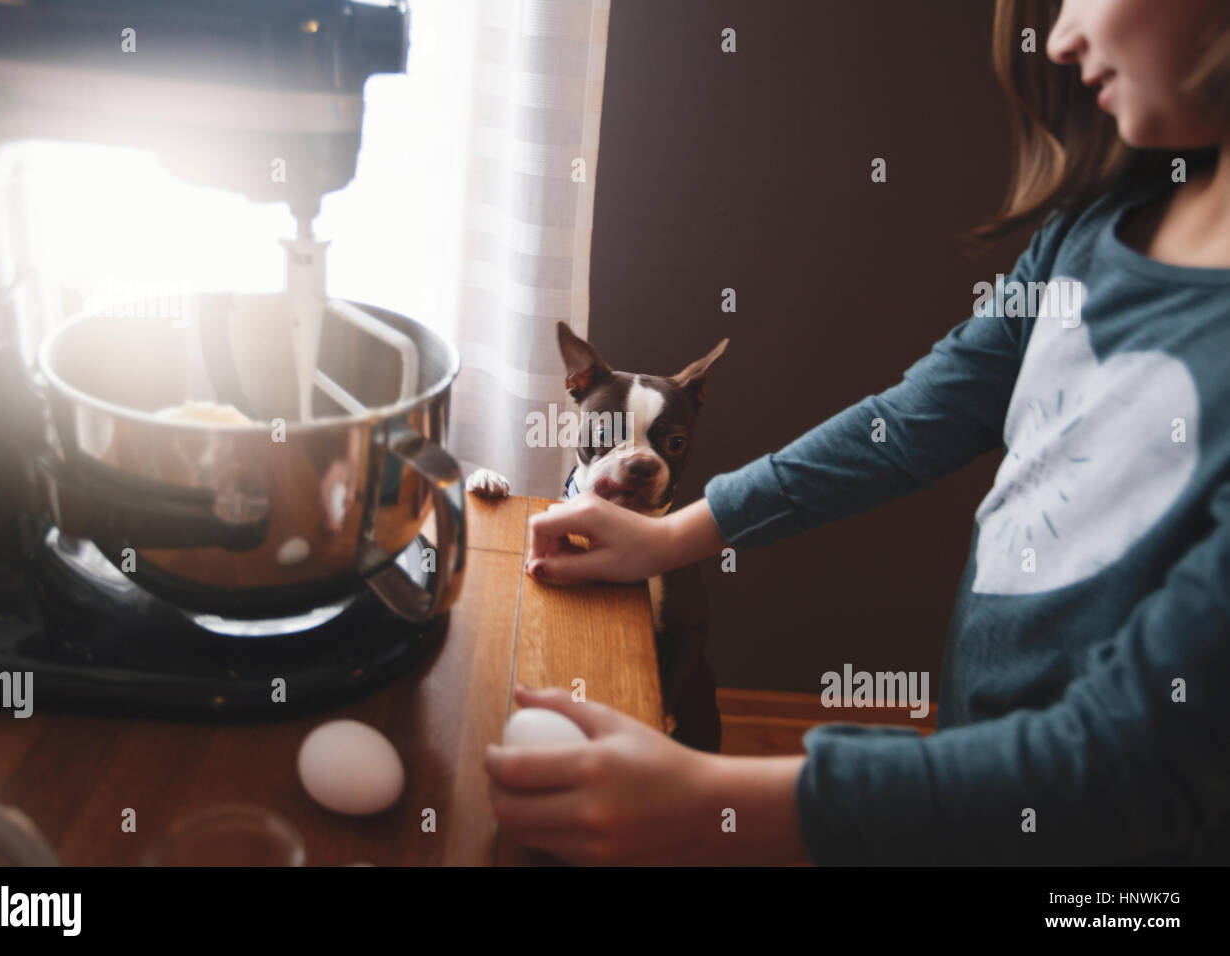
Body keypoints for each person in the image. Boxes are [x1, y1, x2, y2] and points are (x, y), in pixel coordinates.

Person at [484, 0, 1230, 865]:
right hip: (969, 789)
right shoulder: (1084, 237)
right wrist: (671, 539)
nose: (1058, 40)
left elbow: (1125, 761)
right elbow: (906, 424)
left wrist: (711, 801)